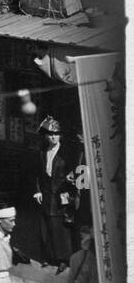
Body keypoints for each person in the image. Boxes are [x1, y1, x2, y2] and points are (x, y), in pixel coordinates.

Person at [32, 115, 79, 272]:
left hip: (61, 195)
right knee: (45, 227)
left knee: (60, 228)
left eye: (56, 134)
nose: (53, 137)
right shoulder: (42, 152)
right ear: (46, 136)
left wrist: (72, 182)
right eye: (51, 135)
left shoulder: (67, 154)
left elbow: (77, 171)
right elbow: (38, 174)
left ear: (60, 136)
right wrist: (37, 191)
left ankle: (63, 259)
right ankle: (47, 257)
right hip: (46, 194)